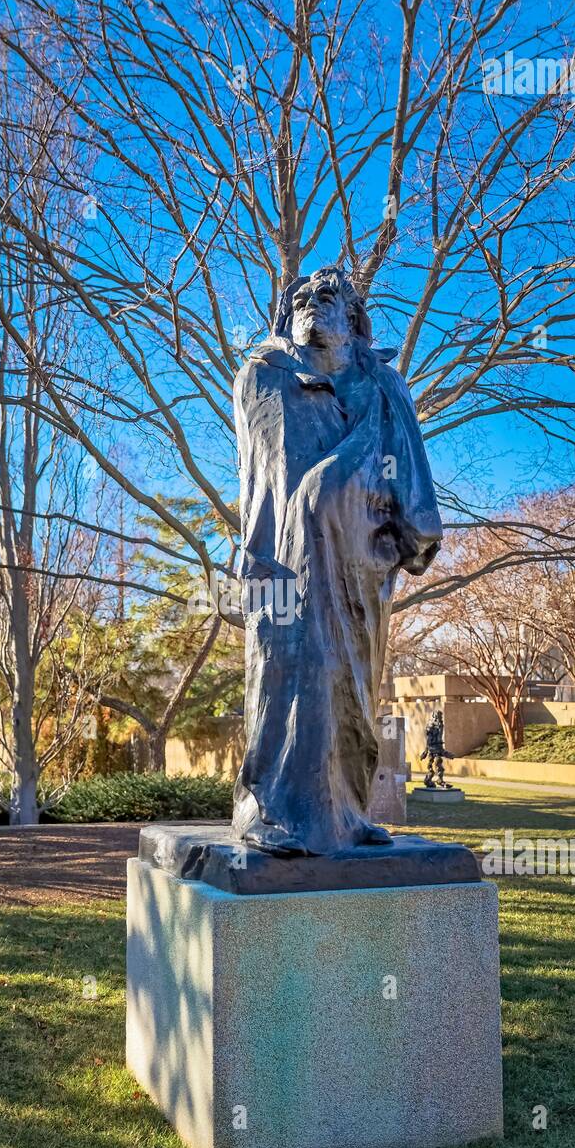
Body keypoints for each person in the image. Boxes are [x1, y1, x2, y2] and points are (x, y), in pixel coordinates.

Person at [231, 266, 442, 855]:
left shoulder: (382, 388)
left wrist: (401, 532)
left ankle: (344, 815)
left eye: (324, 298)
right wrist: (259, 555)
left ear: (352, 320)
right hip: (285, 566)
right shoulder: (265, 378)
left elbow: (407, 475)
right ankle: (269, 814)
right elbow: (263, 477)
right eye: (298, 300)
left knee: (353, 686)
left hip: (362, 562)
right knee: (286, 681)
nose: (308, 307)